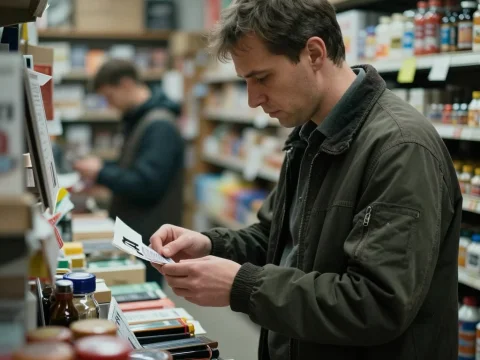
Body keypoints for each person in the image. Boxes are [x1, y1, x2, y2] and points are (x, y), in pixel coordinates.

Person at [150, 0, 461, 359]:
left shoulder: (401, 148)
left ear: (314, 53)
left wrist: (243, 286)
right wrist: (209, 245)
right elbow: (278, 239)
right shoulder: (311, 135)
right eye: (245, 82)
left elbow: (376, 304)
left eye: (262, 78)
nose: (253, 100)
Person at [74, 59, 184, 282]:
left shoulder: (159, 125)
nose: (109, 105)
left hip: (149, 237)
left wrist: (101, 172)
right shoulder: (139, 119)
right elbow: (134, 169)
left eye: (109, 96)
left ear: (125, 84)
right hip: (137, 232)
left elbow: (147, 183)